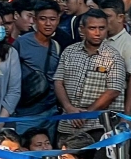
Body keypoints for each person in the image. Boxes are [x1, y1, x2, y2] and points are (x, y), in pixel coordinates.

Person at [54, 9, 126, 143]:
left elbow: (113, 91)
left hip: (98, 126)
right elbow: (58, 81)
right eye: (92, 28)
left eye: (102, 28)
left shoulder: (113, 57)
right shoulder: (69, 51)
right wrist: (69, 108)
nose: (97, 33)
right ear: (82, 29)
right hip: (67, 124)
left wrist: (87, 113)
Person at [14, 0, 62, 135]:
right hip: (26, 113)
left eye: (52, 19)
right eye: (43, 19)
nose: (48, 24)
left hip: (51, 113)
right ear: (35, 20)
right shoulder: (21, 43)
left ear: (58, 20)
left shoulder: (57, 46)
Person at [100, 0, 131, 73]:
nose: (103, 20)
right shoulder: (97, 39)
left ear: (120, 17)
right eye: (101, 16)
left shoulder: (129, 45)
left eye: (107, 16)